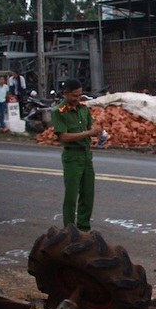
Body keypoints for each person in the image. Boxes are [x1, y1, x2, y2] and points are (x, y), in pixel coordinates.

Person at [52, 79, 101, 231]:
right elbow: (64, 137)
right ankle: (69, 229)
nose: (77, 98)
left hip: (86, 154)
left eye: (80, 95)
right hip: (72, 156)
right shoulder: (59, 112)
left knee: (88, 194)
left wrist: (97, 131)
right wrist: (88, 133)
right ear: (65, 93)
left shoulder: (83, 108)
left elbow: (90, 125)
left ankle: (84, 227)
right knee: (71, 196)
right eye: (74, 96)